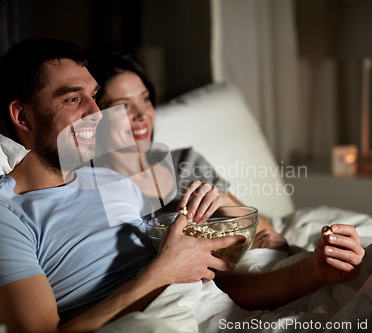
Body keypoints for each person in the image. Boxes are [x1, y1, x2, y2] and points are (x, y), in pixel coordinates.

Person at [0, 38, 364, 333]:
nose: (97, 115)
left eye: (95, 98)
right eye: (72, 100)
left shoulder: (113, 183)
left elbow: (213, 283)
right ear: (22, 117)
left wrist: (313, 272)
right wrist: (165, 267)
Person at [88, 52, 290, 252]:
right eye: (123, 106)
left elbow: (271, 238)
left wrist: (224, 199)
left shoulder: (184, 162)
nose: (142, 114)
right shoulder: (95, 190)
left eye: (145, 99)